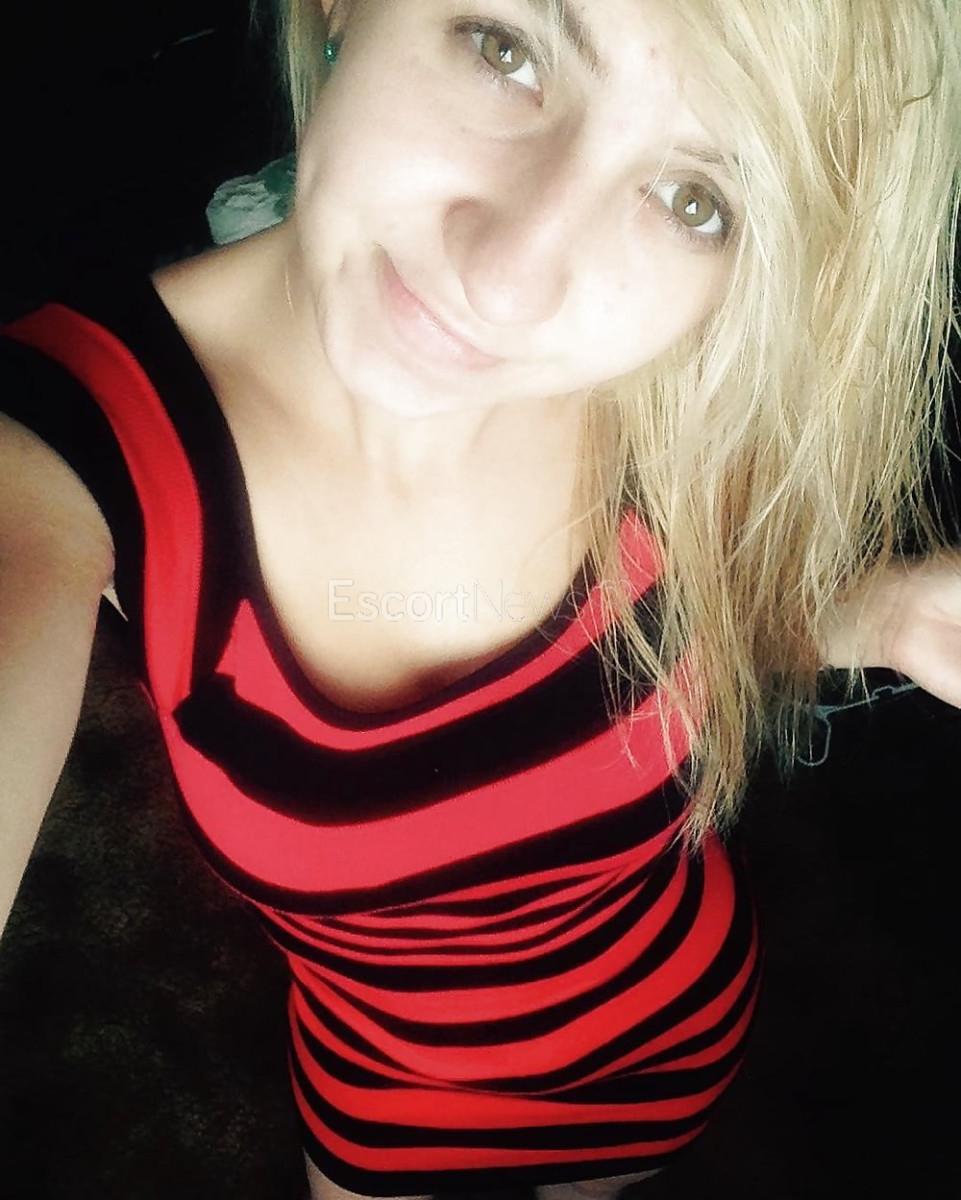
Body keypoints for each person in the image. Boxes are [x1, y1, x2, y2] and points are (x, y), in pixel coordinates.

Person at [1, 1, 959, 1198]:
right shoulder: (58, 449)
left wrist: (880, 616)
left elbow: (687, 633)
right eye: (506, 49)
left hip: (673, 1029)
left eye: (695, 199)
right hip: (390, 1104)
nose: (508, 282)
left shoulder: (678, 394)